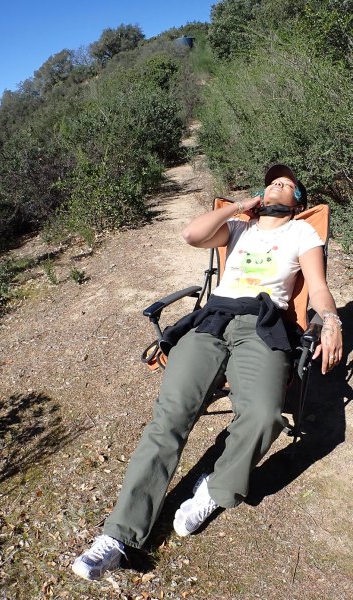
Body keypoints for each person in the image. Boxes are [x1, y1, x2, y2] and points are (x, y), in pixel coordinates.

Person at [71, 164, 344, 580]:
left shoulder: (302, 233)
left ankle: (215, 489)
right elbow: (192, 236)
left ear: (298, 202)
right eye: (271, 182)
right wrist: (239, 208)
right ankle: (118, 535)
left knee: (265, 414)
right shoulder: (237, 228)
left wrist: (332, 319)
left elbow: (318, 286)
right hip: (211, 321)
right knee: (171, 418)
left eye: (287, 184)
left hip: (262, 325)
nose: (277, 185)